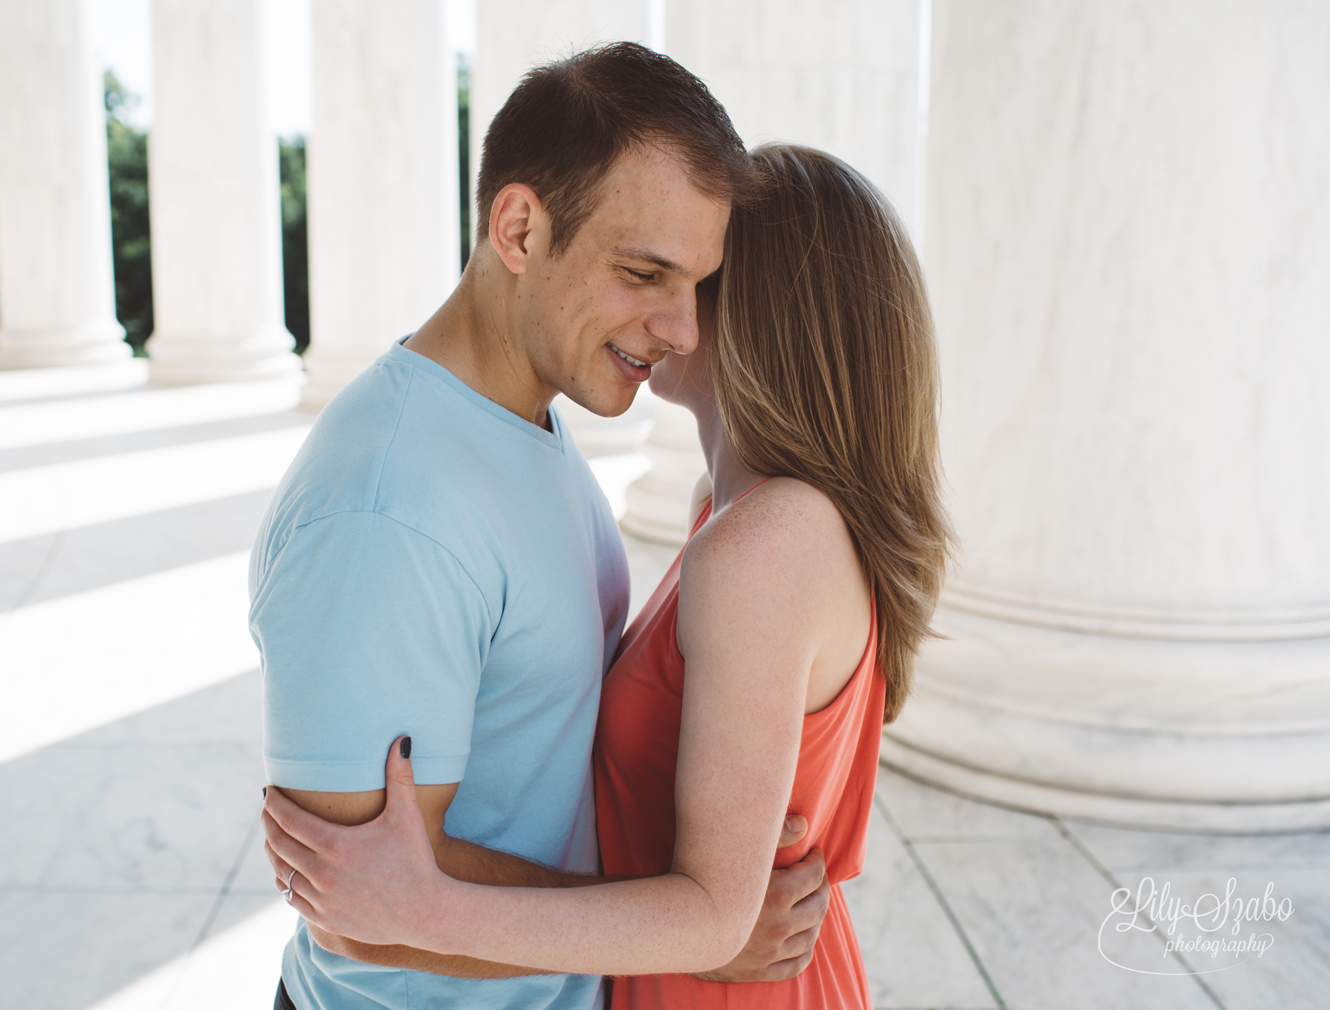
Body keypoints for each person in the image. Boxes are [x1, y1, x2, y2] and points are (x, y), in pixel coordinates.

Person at [260, 143, 953, 1010]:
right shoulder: (734, 513)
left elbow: (715, 917)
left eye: (692, 277)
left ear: (761, 316)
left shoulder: (769, 543)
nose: (665, 313)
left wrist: (425, 906)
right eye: (652, 272)